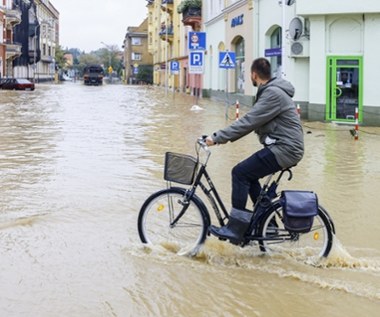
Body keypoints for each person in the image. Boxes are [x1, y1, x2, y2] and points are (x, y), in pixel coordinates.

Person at [205, 57, 304, 243]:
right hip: (283, 147)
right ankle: (270, 226)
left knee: (240, 172)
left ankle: (235, 228)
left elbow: (248, 122)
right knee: (249, 176)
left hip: (286, 149)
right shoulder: (272, 91)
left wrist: (216, 138)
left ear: (253, 74)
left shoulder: (273, 94)